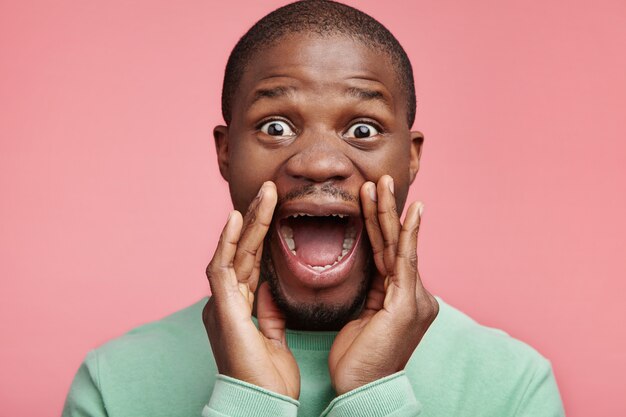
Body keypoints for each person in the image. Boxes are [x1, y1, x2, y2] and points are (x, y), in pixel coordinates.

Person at [62, 1, 565, 416]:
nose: (320, 162)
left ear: (411, 159)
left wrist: (374, 397)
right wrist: (249, 405)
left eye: (362, 130)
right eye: (275, 127)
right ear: (225, 151)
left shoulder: (513, 387)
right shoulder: (114, 386)